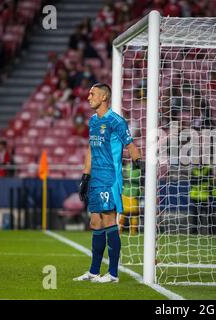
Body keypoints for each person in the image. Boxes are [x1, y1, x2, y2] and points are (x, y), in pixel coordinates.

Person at [73, 83, 141, 283]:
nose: (88, 97)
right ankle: (94, 271)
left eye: (92, 94)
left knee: (109, 221)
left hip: (110, 178)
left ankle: (112, 274)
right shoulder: (93, 121)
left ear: (104, 97)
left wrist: (139, 164)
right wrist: (85, 177)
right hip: (95, 179)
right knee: (95, 222)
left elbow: (131, 146)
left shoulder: (116, 121)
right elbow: (90, 150)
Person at [189, 165, 216, 235]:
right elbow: (193, 182)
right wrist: (203, 180)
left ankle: (212, 232)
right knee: (196, 216)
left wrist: (201, 181)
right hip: (196, 196)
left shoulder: (208, 169)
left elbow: (211, 182)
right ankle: (194, 232)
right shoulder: (194, 170)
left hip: (206, 196)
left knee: (210, 215)